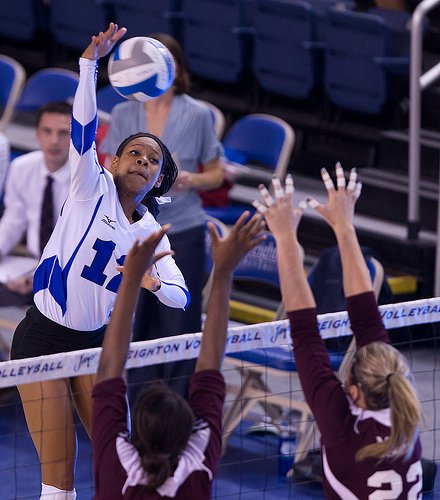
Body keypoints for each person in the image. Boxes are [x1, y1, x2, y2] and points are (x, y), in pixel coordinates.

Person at [10, 23, 188, 500]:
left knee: (123, 464)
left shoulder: (151, 232)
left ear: (158, 181)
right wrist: (90, 63)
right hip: (43, 338)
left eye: (152, 161)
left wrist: (149, 280)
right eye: (134, 153)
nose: (142, 163)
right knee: (60, 478)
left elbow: (180, 296)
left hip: (95, 347)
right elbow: (83, 125)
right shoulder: (89, 186)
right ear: (113, 161)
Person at [254, 165, 423, 498]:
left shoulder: (343, 427)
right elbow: (353, 321)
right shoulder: (408, 412)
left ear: (355, 394)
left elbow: (337, 325)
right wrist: (343, 226)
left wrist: (287, 237)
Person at [92, 211, 264, 499]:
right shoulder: (197, 469)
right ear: (186, 434)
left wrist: (131, 279)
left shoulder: (117, 465)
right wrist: (223, 273)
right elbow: (209, 367)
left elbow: (108, 367)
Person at [100, 32, 225, 397]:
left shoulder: (199, 113)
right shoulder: (124, 112)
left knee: (178, 322)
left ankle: (176, 405)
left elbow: (217, 171)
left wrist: (191, 179)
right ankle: (136, 402)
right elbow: (111, 164)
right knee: (135, 319)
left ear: (175, 67)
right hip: (134, 228)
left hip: (183, 227)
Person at [0, 102, 71, 306]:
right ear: (37, 133)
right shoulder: (21, 168)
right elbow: (14, 220)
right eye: (47, 131)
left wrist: (43, 276)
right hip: (30, 263)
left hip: (68, 271)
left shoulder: (86, 179)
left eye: (63, 133)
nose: (54, 141)